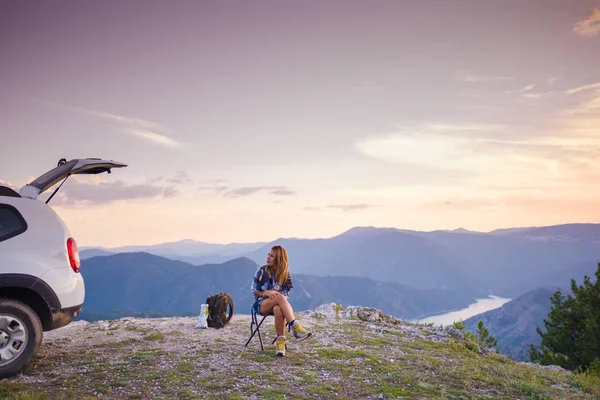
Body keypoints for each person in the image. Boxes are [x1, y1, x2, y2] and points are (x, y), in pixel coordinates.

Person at [250, 245, 311, 356]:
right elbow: (254, 290)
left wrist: (275, 293)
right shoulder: (261, 271)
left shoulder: (286, 275)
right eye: (269, 254)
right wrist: (265, 293)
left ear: (278, 260)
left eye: (272, 256)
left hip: (278, 305)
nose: (268, 257)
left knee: (278, 309)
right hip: (261, 304)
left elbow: (286, 294)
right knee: (279, 298)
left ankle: (280, 343)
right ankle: (295, 326)